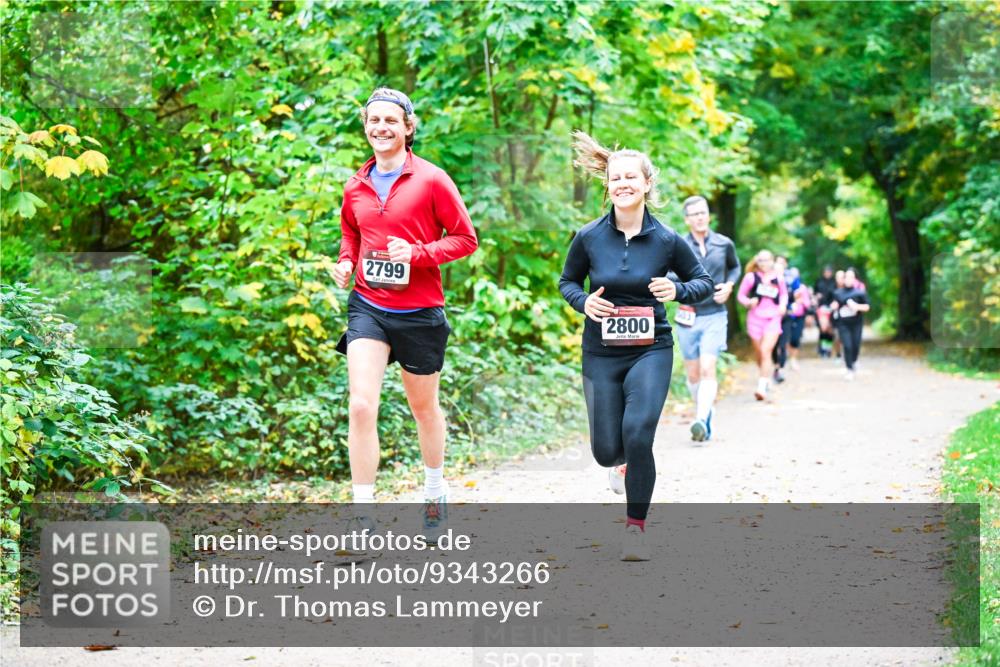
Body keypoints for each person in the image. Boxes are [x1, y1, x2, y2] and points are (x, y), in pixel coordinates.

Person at [331, 87, 478, 542]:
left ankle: (434, 491)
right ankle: (363, 518)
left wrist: (415, 253)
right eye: (373, 120)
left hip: (420, 311)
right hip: (369, 305)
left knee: (423, 407)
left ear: (408, 127)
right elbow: (351, 235)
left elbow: (464, 239)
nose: (380, 128)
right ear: (365, 126)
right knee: (360, 405)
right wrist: (345, 262)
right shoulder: (355, 184)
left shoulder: (432, 180)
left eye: (390, 121)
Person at [560, 131, 712, 561]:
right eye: (615, 178)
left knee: (638, 432)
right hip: (601, 352)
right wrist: (584, 301)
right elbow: (567, 282)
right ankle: (620, 464)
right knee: (606, 449)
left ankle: (635, 528)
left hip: (652, 348)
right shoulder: (589, 237)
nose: (623, 183)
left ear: (646, 184)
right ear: (607, 186)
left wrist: (676, 288)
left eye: (631, 177)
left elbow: (703, 282)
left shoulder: (666, 240)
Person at [670, 195, 741, 443]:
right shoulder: (678, 246)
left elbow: (735, 267)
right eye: (695, 214)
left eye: (704, 212)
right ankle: (705, 410)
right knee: (693, 375)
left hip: (715, 315)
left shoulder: (724, 244)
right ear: (687, 219)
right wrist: (685, 286)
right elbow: (668, 275)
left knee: (708, 367)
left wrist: (729, 286)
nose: (700, 217)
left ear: (709, 215)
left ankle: (700, 419)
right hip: (688, 316)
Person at [737, 250, 788, 401]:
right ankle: (765, 377)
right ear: (757, 262)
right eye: (761, 260)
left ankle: (761, 387)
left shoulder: (778, 278)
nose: (764, 263)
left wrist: (783, 306)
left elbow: (784, 294)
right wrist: (748, 302)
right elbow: (741, 295)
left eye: (767, 260)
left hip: (773, 318)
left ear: (772, 261)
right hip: (755, 319)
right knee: (760, 353)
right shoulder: (751, 277)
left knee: (766, 351)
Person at [829, 267, 870, 380]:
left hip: (857, 323)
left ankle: (854, 360)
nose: (848, 279)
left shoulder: (860, 293)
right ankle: (849, 369)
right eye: (847, 277)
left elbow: (867, 307)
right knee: (847, 345)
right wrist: (833, 306)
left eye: (851, 277)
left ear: (855, 279)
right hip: (843, 323)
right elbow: (834, 304)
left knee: (855, 345)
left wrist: (857, 307)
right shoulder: (838, 293)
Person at [813, 265, 837, 357]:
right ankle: (822, 348)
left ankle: (828, 349)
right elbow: (814, 294)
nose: (827, 273)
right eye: (826, 272)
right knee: (823, 329)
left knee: (830, 330)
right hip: (821, 308)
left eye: (829, 272)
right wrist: (817, 297)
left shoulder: (834, 283)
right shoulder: (819, 281)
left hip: (831, 308)